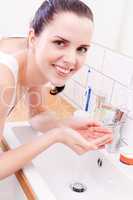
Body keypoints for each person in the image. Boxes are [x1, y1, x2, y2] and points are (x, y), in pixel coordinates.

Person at [0, 0, 112, 180]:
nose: (71, 59)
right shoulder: (3, 79)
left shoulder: (32, 59)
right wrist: (55, 135)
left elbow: (36, 114)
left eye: (81, 49)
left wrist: (65, 125)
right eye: (60, 43)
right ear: (33, 37)